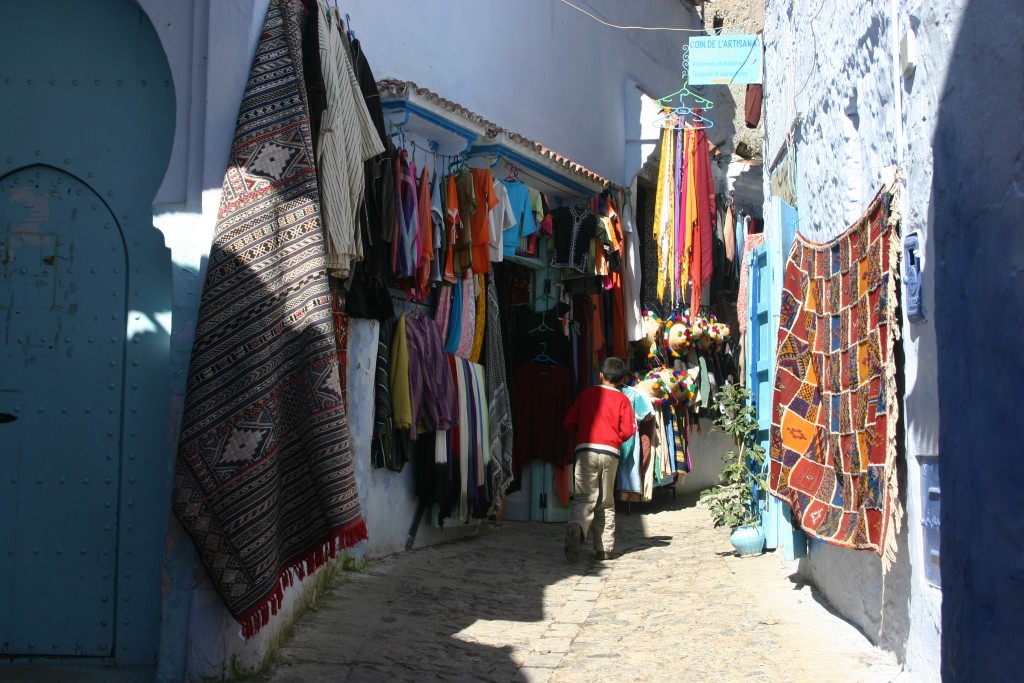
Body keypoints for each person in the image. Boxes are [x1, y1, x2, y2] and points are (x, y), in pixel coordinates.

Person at [563, 356, 636, 562]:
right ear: (622, 380)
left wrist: (582, 434)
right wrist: (614, 439)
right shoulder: (623, 399)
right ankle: (604, 548)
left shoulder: (587, 394)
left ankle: (577, 526)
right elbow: (628, 430)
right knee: (605, 501)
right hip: (610, 452)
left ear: (601, 375)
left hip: (586, 449)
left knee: (584, 497)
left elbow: (569, 422)